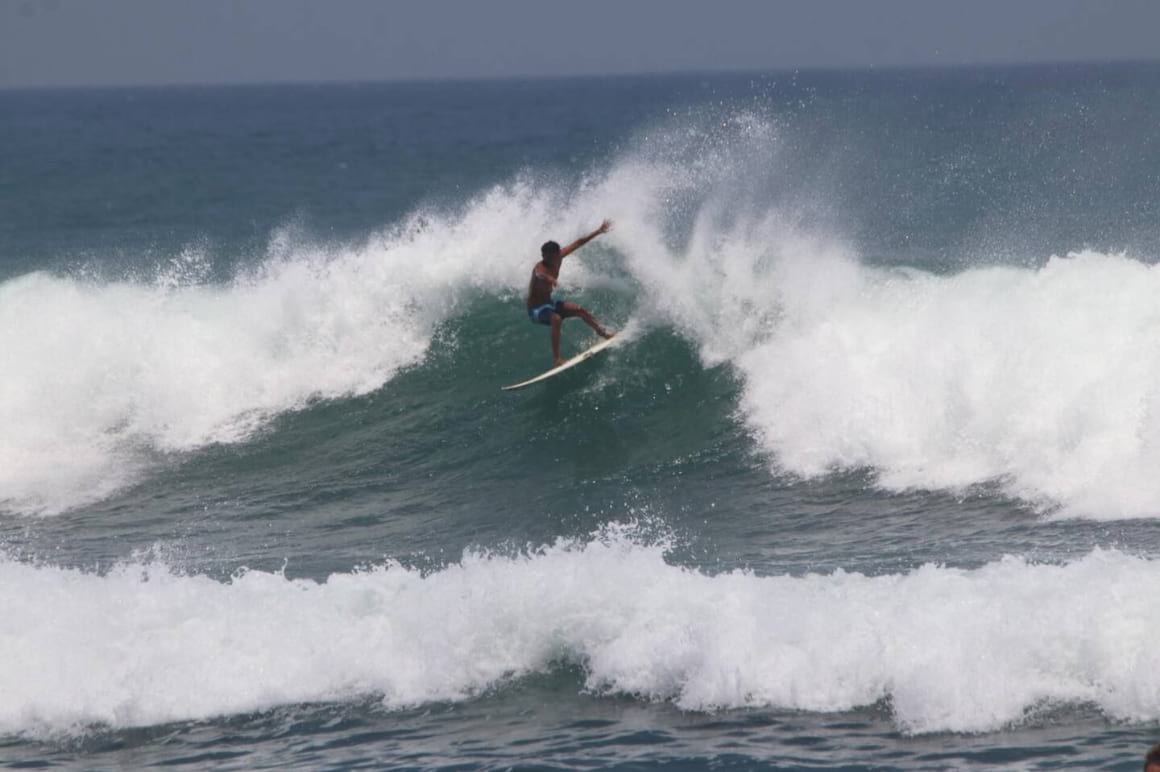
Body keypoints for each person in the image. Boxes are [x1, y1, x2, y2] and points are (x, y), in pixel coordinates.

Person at [526, 219, 615, 367]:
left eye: (548, 256)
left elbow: (579, 243)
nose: (545, 259)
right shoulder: (539, 267)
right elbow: (539, 274)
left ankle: (603, 333)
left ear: (556, 254)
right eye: (544, 255)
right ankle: (557, 359)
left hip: (549, 304)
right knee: (556, 319)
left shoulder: (560, 256)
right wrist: (550, 279)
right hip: (536, 310)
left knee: (579, 310)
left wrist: (598, 231)